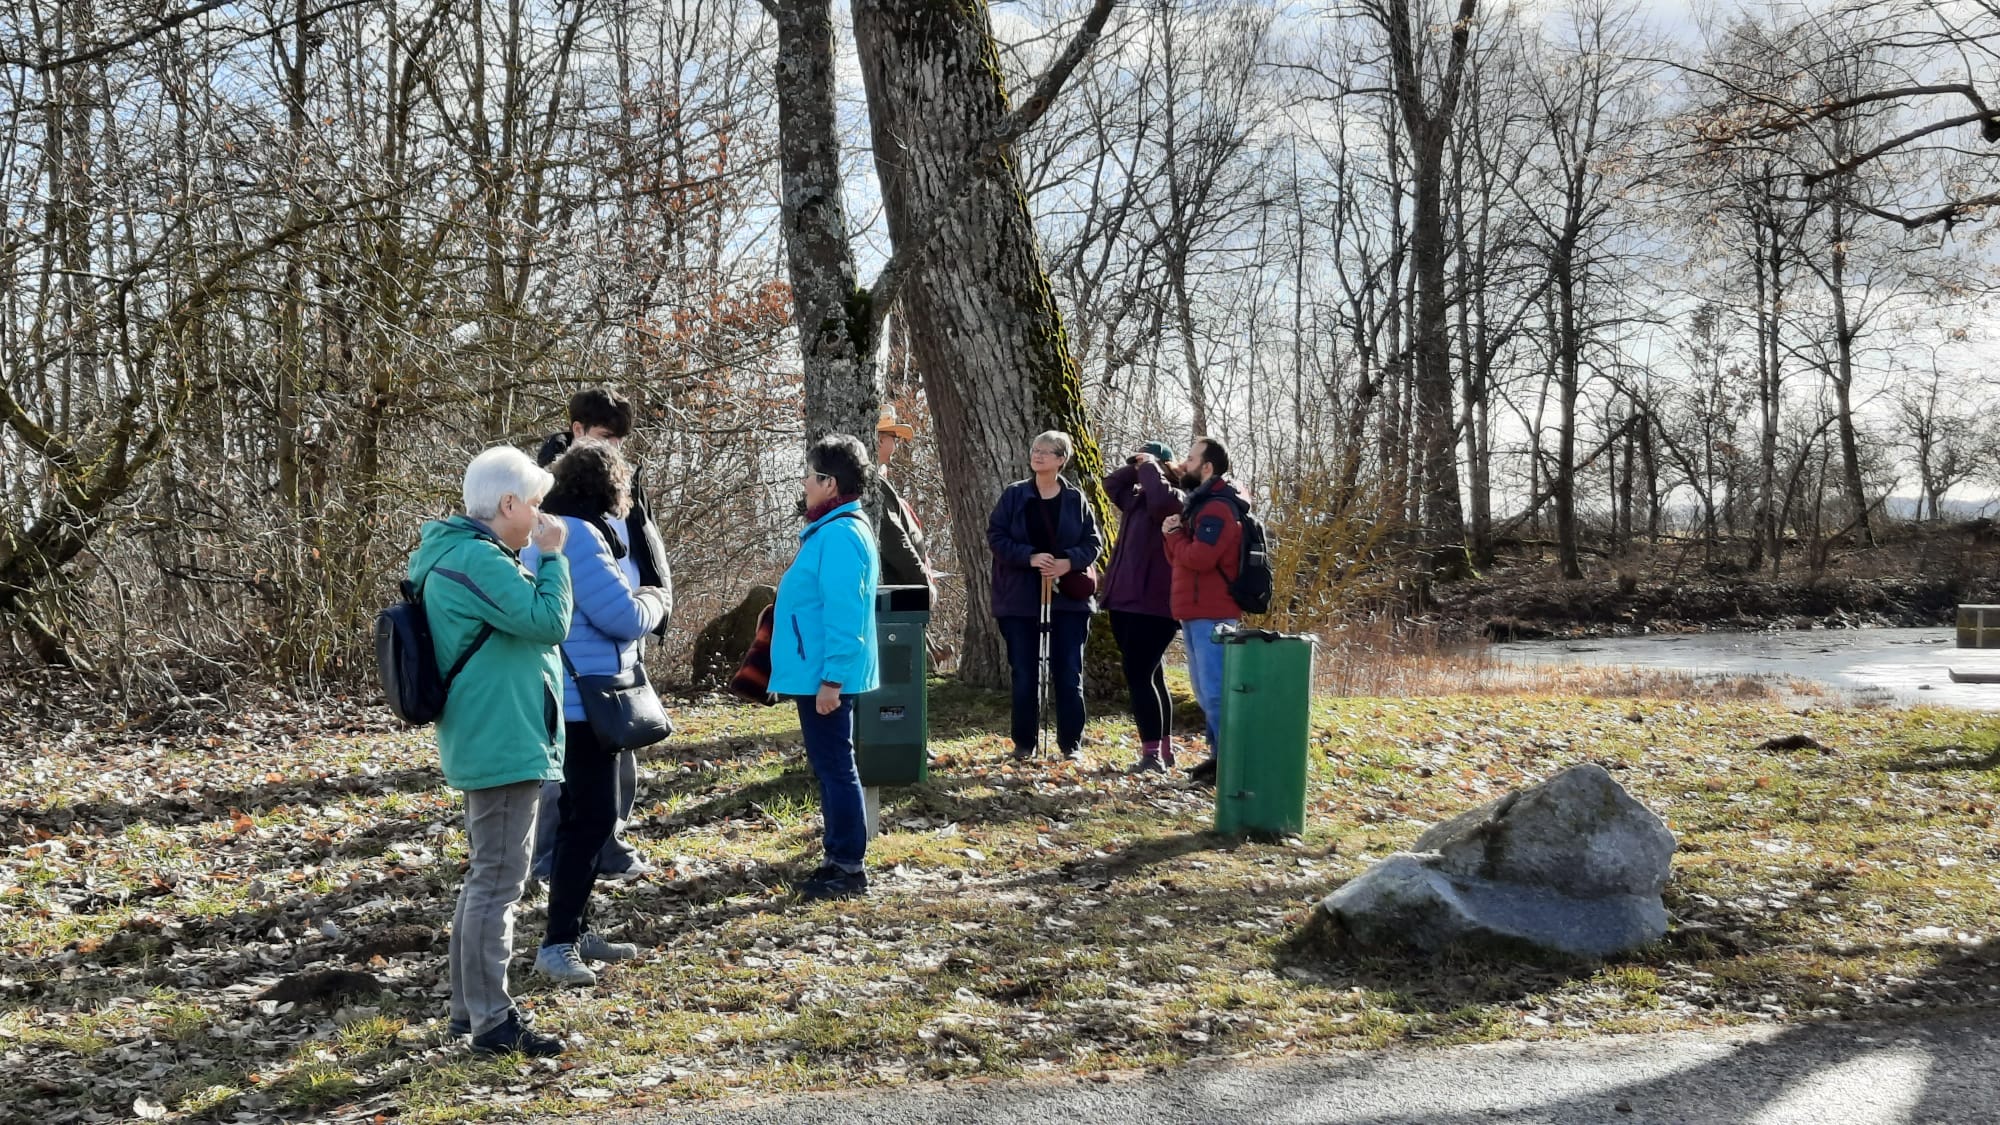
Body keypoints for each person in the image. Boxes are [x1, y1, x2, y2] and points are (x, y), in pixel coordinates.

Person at [406, 446, 572, 1057]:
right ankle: (492, 1022)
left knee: (487, 878)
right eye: (535, 504)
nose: (541, 516)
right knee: (498, 883)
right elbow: (549, 622)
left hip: (495, 731)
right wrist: (553, 558)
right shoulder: (476, 559)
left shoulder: (462, 553)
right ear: (507, 504)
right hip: (500, 737)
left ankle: (468, 1011)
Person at [520, 442, 671, 987]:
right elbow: (621, 616)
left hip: (566, 697)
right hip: (585, 702)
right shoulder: (581, 536)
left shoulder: (546, 531)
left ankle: (575, 930)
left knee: (580, 818)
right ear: (609, 487)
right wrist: (655, 598)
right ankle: (559, 942)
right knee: (592, 820)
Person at [532, 387, 671, 883]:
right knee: (568, 773)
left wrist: (653, 596)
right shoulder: (553, 491)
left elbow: (645, 543)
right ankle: (556, 858)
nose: (615, 447)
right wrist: (651, 604)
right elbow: (605, 599)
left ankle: (605, 844)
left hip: (618, 646)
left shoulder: (620, 481)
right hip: (584, 651)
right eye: (605, 435)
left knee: (619, 746)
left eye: (619, 438)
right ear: (577, 430)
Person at [770, 433, 881, 902]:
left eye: (809, 475)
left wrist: (832, 679)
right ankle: (837, 858)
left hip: (826, 675)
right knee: (831, 765)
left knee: (836, 767)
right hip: (818, 670)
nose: (804, 482)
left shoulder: (839, 535)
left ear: (829, 483)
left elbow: (844, 614)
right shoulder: (832, 529)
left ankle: (848, 866)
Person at [987, 430, 1103, 763]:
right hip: (1020, 601)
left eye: (1046, 451)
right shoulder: (1014, 495)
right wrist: (1029, 557)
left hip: (1068, 602)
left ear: (1061, 459)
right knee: (1025, 674)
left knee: (1068, 673)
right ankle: (1024, 743)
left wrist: (1068, 562)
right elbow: (996, 536)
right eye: (1035, 449)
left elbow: (1093, 543)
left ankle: (1071, 744)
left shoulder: (1076, 500)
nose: (1037, 455)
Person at [1161, 436, 1248, 786]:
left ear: (1207, 467)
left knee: (1215, 692)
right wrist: (1174, 534)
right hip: (1196, 610)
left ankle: (1230, 764)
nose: (1185, 464)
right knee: (1204, 692)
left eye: (1192, 458)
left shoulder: (1216, 509)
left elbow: (1199, 558)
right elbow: (1179, 559)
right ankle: (1218, 760)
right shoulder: (1199, 505)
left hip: (1213, 612)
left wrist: (1174, 535)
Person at [1100, 441, 1185, 773]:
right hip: (1124, 600)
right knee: (1152, 674)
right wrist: (1136, 466)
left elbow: (1162, 501)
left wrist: (1152, 466)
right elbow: (1111, 485)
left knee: (1139, 676)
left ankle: (1151, 755)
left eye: (1148, 467)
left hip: (1154, 605)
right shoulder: (1136, 499)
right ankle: (1163, 749)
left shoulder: (1178, 498)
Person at [873, 404, 933, 590]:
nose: (896, 446)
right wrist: (922, 580)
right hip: (898, 592)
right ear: (880, 440)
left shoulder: (878, 482)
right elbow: (895, 540)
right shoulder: (875, 485)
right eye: (894, 438)